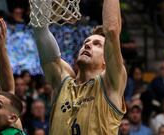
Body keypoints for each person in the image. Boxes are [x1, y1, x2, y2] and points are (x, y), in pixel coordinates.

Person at [31, 0, 127, 134]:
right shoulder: (62, 82)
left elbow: (111, 30)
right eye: (86, 42)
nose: (87, 45)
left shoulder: (110, 84)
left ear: (106, 60)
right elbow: (40, 30)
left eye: (97, 44)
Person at [0, 18, 25, 135]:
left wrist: (1, 47)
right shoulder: (9, 127)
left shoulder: (11, 132)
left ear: (12, 119)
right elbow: (7, 91)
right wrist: (0, 47)